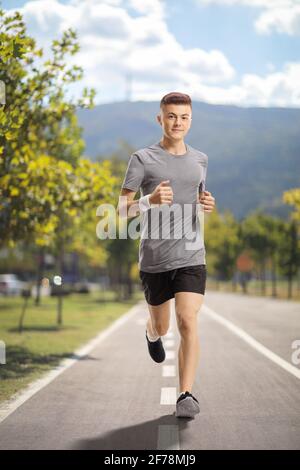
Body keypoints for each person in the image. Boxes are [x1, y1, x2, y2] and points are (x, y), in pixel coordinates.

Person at [117, 92, 215, 418]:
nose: (177, 123)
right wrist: (149, 201)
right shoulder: (142, 159)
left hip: (190, 255)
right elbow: (120, 211)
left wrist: (207, 206)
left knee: (187, 320)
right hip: (155, 259)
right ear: (160, 118)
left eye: (184, 117)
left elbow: (197, 200)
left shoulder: (200, 159)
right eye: (171, 116)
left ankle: (186, 395)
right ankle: (151, 331)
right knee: (163, 326)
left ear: (191, 120)